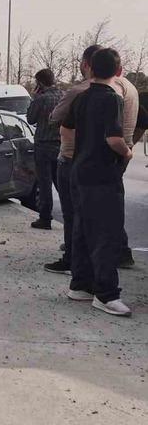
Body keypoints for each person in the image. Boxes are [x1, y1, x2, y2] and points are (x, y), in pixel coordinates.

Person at [45, 45, 137, 273]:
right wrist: (130, 146)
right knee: (109, 214)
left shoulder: (86, 93)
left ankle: (77, 266)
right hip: (113, 161)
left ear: (88, 65)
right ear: (118, 69)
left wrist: (122, 148)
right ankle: (120, 253)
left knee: (77, 215)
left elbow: (59, 121)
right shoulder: (129, 88)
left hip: (83, 159)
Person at [61, 48, 132, 317]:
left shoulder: (81, 97)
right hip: (102, 175)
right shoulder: (112, 99)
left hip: (79, 171)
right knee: (106, 233)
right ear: (119, 71)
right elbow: (113, 139)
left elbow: (65, 129)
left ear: (89, 68)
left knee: (82, 229)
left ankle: (80, 285)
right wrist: (128, 152)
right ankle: (106, 294)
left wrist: (76, 151)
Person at [26, 68, 64, 230]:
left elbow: (30, 118)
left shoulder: (41, 99)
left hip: (43, 145)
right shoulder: (64, 96)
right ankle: (70, 216)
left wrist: (34, 98)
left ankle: (45, 218)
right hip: (61, 145)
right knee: (62, 184)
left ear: (40, 83)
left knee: (44, 184)